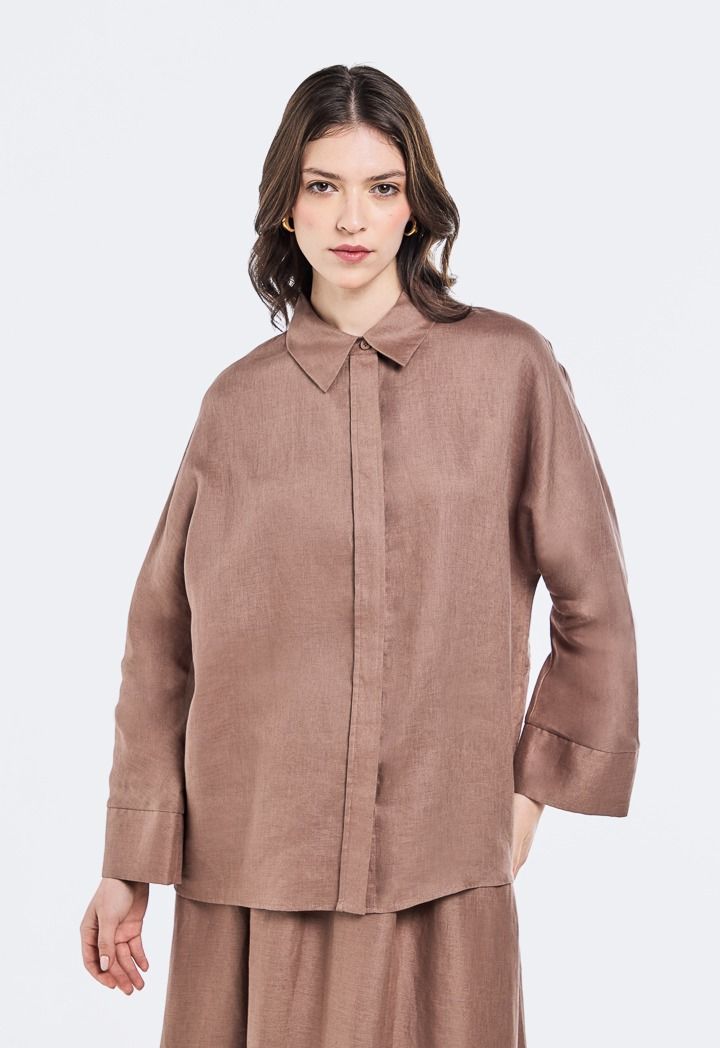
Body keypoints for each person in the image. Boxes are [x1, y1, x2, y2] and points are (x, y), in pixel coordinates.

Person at [79, 63, 639, 1047]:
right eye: (322, 185)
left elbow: (594, 599)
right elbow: (163, 642)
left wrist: (526, 798)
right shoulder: (237, 405)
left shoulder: (509, 370)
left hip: (442, 870)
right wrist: (130, 860)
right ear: (285, 207)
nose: (352, 218)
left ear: (415, 206)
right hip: (250, 873)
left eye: (382, 187)